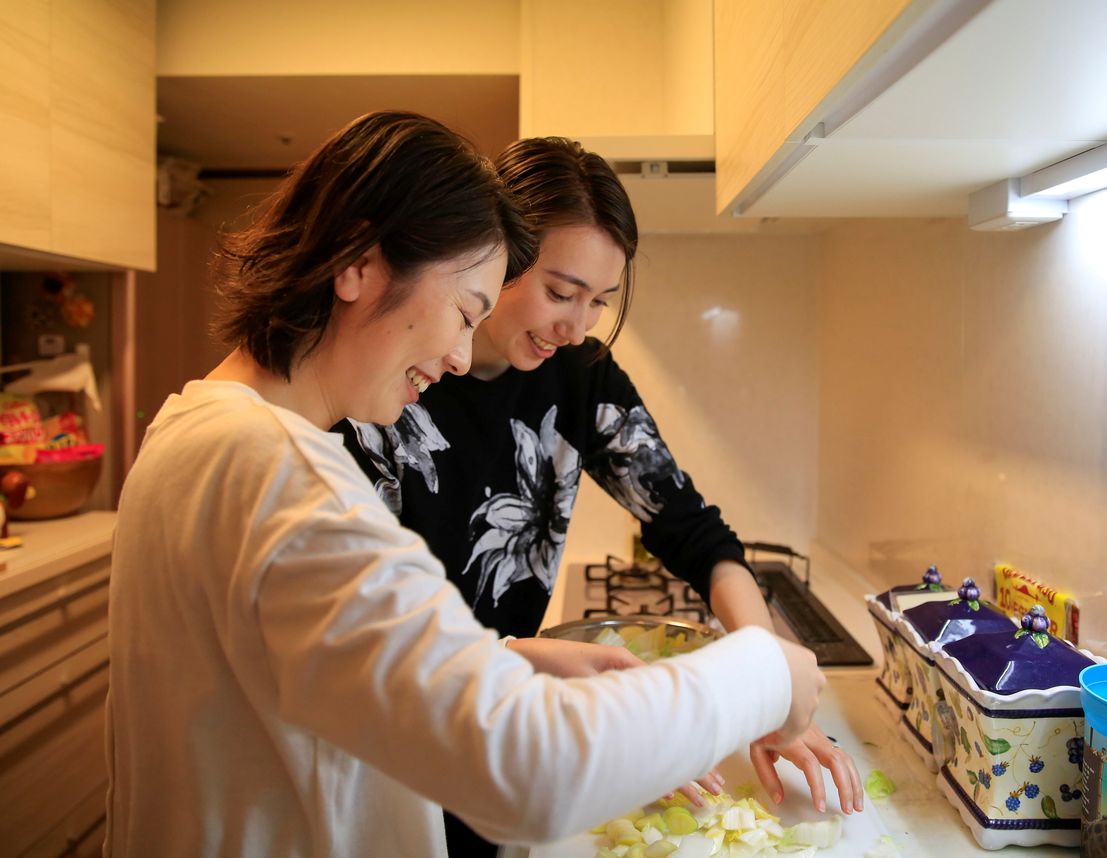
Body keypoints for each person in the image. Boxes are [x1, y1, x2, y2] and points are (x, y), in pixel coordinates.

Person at [104, 111, 826, 858]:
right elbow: (530, 767)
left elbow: (311, 679)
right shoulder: (279, 475)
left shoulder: (191, 432)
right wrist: (762, 674)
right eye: (463, 310)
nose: (457, 357)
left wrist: (506, 662)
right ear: (359, 262)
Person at [340, 136, 864, 857]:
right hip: (402, 745)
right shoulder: (388, 383)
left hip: (510, 726)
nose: (575, 327)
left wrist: (770, 680)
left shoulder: (578, 372)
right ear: (496, 254)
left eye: (597, 302)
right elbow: (376, 645)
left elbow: (692, 531)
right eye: (560, 292)